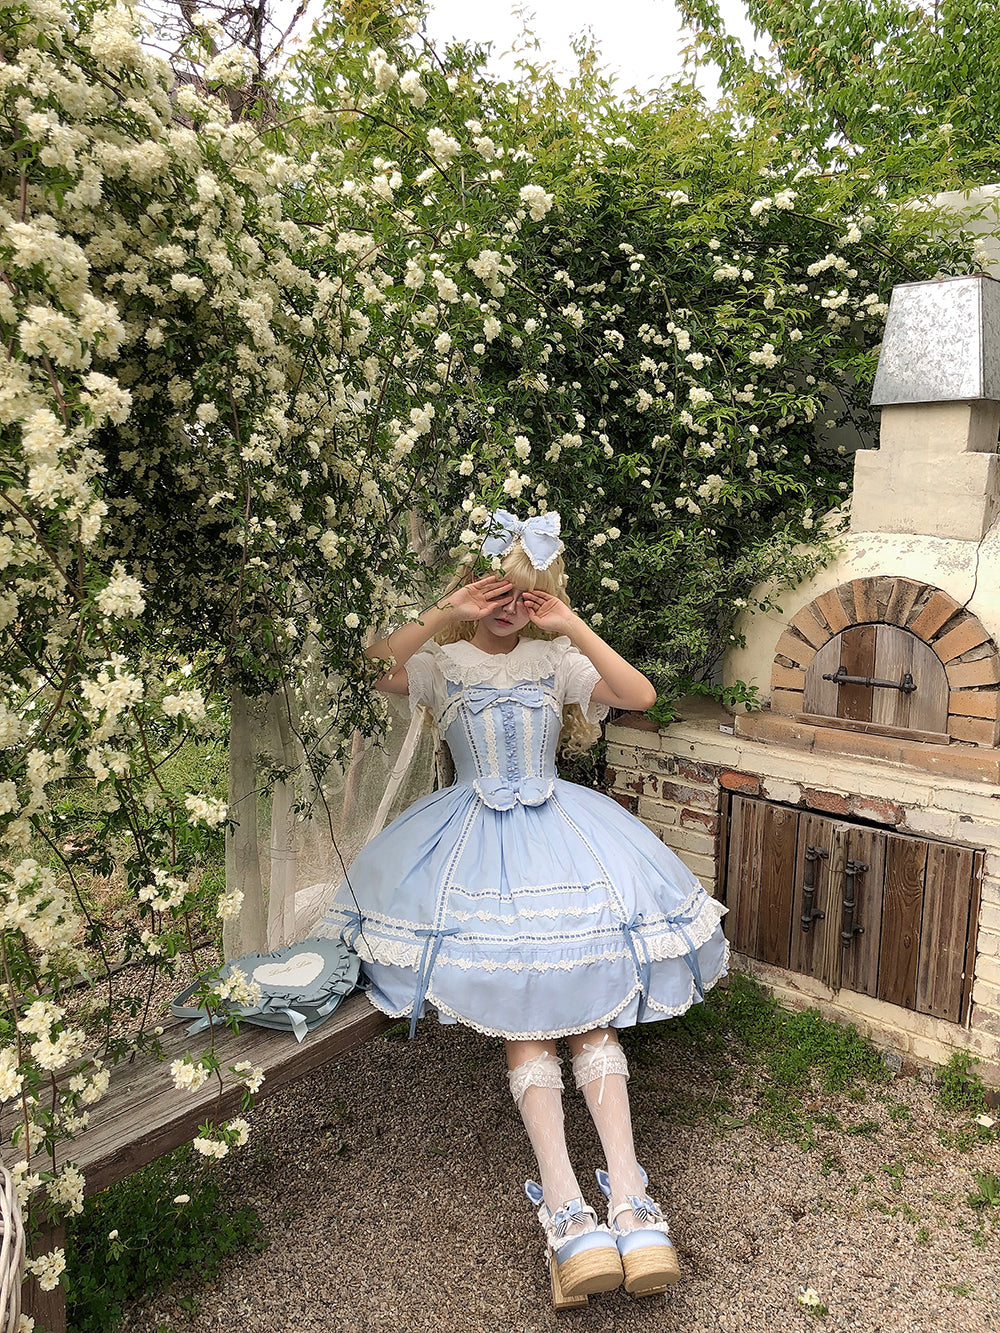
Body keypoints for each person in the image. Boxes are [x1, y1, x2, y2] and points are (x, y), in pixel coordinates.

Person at [317, 509, 728, 1306]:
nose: (510, 608)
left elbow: (640, 694)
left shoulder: (556, 659)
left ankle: (630, 1200)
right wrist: (446, 610)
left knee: (588, 1005)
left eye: (525, 594)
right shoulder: (442, 663)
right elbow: (369, 667)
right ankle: (567, 1202)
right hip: (471, 853)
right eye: (498, 592)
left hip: (562, 843)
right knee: (526, 1006)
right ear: (475, 590)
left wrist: (570, 623)